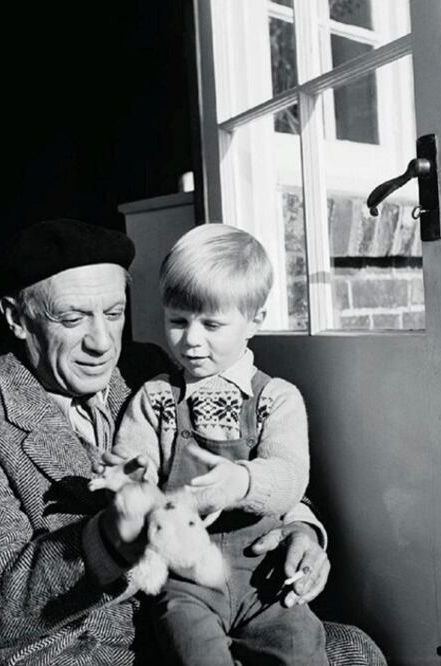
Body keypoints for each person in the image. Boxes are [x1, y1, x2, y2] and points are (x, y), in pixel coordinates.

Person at [0, 218, 384, 665]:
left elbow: (250, 457)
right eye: (72, 319)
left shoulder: (147, 369)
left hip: (217, 608)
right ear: (17, 318)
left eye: (114, 313)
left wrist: (301, 529)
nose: (102, 343)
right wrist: (109, 538)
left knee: (354, 649)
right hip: (90, 648)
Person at [101, 224, 327, 665]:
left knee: (302, 647)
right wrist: (131, 478)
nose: (191, 339)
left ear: (254, 320)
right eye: (178, 321)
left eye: (211, 324)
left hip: (264, 578)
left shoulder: (276, 398)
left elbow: (289, 476)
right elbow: (134, 463)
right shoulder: (155, 397)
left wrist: (241, 482)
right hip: (186, 578)